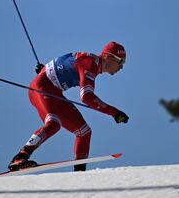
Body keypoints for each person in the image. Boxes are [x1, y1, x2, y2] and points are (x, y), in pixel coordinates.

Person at [8, 41, 129, 172]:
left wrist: (45, 70)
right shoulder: (91, 63)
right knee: (53, 123)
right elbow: (86, 97)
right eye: (121, 62)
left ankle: (79, 172)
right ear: (109, 57)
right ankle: (20, 157)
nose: (121, 67)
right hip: (41, 88)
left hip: (54, 92)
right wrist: (114, 112)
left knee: (84, 132)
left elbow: (65, 62)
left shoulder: (92, 63)